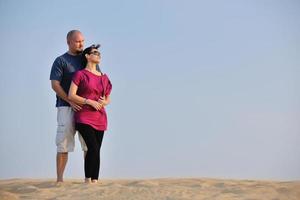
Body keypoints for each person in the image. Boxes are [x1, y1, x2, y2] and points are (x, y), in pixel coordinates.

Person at [68, 44, 112, 183]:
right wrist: (89, 101)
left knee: (96, 150)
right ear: (87, 56)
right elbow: (71, 95)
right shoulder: (80, 74)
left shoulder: (104, 77)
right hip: (84, 116)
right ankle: (87, 180)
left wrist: (104, 102)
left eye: (99, 53)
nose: (98, 55)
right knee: (92, 147)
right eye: (95, 52)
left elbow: (108, 98)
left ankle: (95, 181)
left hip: (100, 117)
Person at [50, 30, 89, 183]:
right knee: (63, 143)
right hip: (65, 107)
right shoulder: (60, 61)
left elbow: (96, 78)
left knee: (88, 145)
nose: (81, 44)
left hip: (86, 109)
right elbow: (55, 84)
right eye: (77, 41)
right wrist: (69, 100)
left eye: (83, 41)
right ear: (69, 42)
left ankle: (89, 179)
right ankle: (59, 180)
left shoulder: (86, 59)